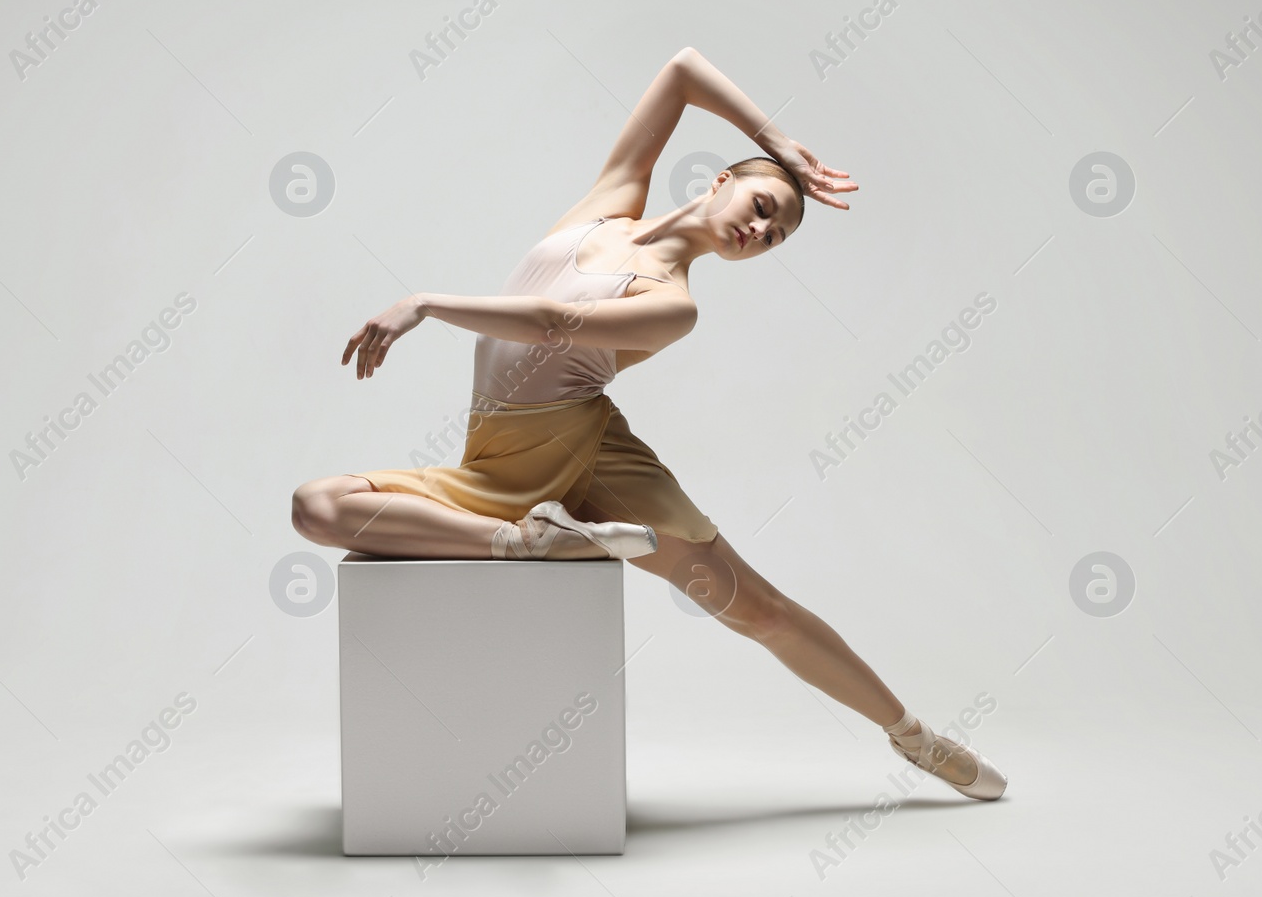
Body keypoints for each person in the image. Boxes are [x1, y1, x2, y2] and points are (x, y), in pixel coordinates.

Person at [291, 47, 1006, 800]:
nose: (761, 233)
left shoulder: (675, 301)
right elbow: (682, 70)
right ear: (721, 180)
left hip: (588, 451)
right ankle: (527, 541)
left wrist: (428, 303)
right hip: (497, 460)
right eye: (762, 209)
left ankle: (915, 738)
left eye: (777, 238)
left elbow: (556, 320)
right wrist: (778, 141)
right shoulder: (608, 204)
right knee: (317, 507)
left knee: (756, 607)